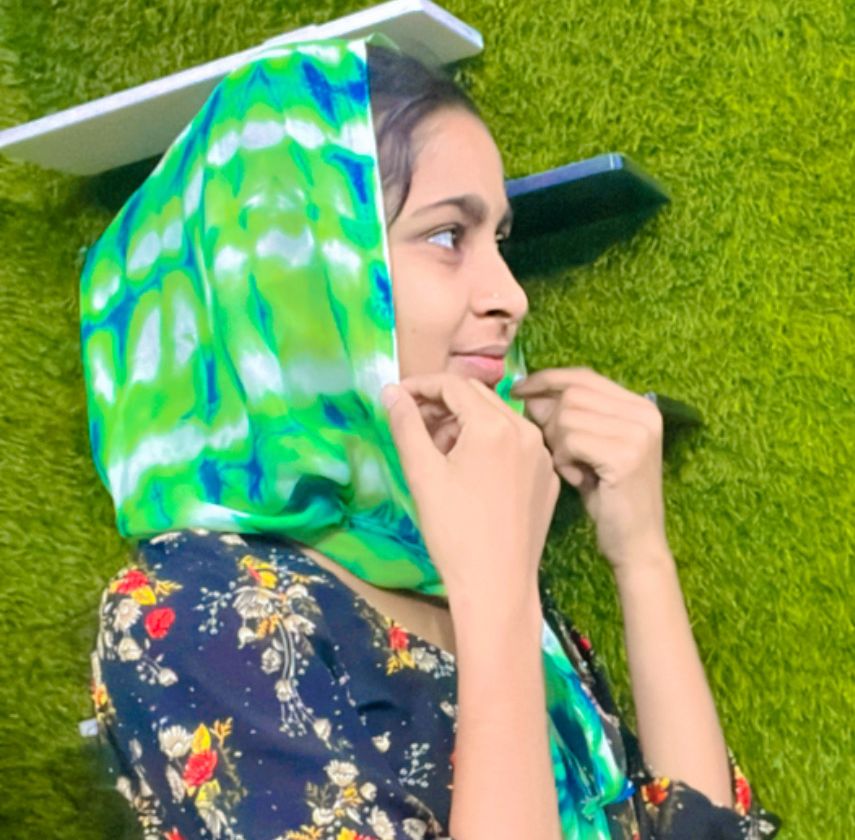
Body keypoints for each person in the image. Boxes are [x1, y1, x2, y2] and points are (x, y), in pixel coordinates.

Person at [81, 37, 780, 840]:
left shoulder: (442, 559)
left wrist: (640, 554)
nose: (510, 296)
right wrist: (496, 593)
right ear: (297, 275)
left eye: (499, 241)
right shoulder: (187, 616)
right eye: (448, 235)